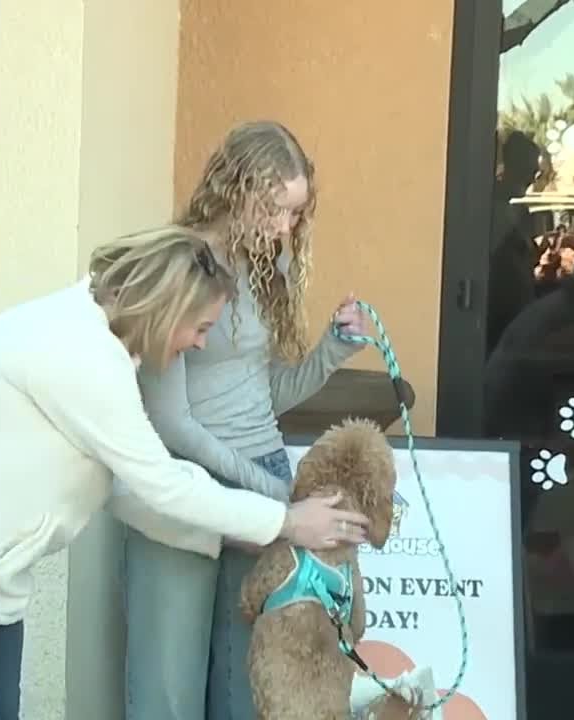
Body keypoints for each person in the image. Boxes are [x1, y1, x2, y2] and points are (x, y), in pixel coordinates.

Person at [0, 225, 370, 720]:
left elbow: (124, 490)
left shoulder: (104, 345)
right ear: (167, 309)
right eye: (201, 328)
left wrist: (232, 536)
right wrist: (287, 521)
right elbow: (163, 483)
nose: (198, 344)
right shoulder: (83, 354)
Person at [121, 121, 369, 720]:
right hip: (184, 484)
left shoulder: (265, 268)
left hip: (261, 472)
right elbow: (172, 424)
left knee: (246, 689)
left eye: (296, 214)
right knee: (168, 690)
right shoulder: (180, 264)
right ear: (238, 191)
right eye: (276, 210)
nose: (285, 228)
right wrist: (277, 501)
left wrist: (332, 349)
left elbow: (266, 394)